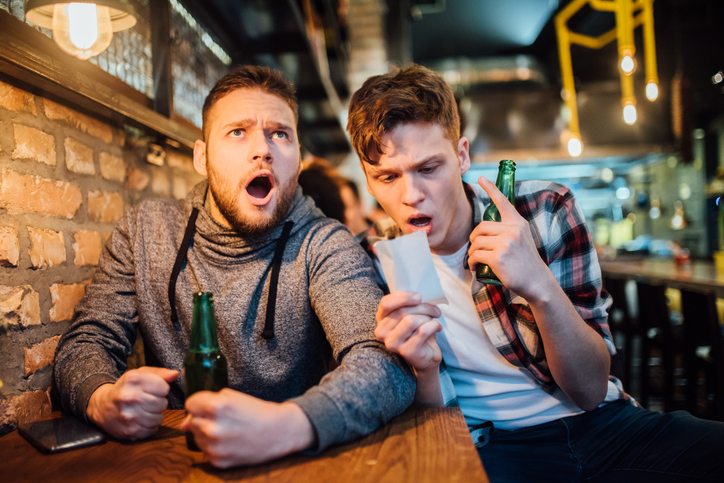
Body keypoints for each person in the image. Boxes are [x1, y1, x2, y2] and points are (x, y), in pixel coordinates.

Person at [347, 64, 724, 482]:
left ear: (461, 156)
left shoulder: (545, 210)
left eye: (429, 168)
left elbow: (589, 390)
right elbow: (429, 421)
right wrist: (423, 370)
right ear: (368, 180)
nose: (411, 195)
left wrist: (539, 285)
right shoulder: (372, 260)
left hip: (600, 424)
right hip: (490, 446)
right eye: (388, 177)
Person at [53, 65, 414, 468]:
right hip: (176, 458)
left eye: (280, 134)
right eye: (238, 132)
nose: (263, 150)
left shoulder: (325, 242)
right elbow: (85, 343)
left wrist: (283, 427)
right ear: (202, 156)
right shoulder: (144, 231)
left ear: (298, 160)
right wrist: (101, 398)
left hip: (294, 462)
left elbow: (383, 364)